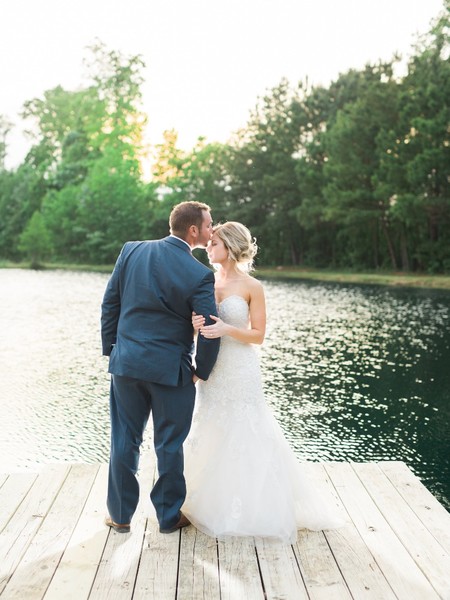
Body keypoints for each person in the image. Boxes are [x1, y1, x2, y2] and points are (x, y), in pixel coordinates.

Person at [182, 222, 343, 543]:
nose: (207, 248)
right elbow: (198, 329)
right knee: (211, 428)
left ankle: (254, 508)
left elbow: (258, 335)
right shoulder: (205, 280)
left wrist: (227, 328)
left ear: (228, 247)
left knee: (246, 429)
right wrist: (195, 324)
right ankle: (202, 500)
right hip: (212, 369)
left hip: (240, 368)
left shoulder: (252, 286)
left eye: (213, 244)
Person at [101, 201, 220, 534]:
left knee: (124, 438)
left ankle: (121, 516)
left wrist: (113, 350)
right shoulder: (199, 274)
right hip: (171, 372)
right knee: (169, 444)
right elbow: (210, 326)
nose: (211, 230)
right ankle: (168, 519)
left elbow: (110, 302)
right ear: (193, 230)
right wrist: (202, 368)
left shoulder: (131, 251)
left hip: (126, 365)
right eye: (209, 225)